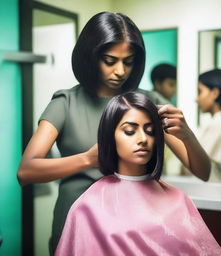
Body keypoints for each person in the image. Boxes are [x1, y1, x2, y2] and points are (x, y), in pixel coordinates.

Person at [17, 12, 210, 254]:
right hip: (77, 226)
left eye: (128, 62)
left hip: (134, 227)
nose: (120, 71)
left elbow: (203, 172)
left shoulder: (146, 102)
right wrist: (87, 159)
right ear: (91, 56)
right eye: (110, 60)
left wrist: (186, 134)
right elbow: (26, 172)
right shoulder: (65, 102)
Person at [55, 92, 221, 256]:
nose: (143, 139)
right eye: (130, 131)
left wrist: (187, 134)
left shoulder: (178, 200)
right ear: (110, 136)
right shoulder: (88, 206)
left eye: (150, 131)